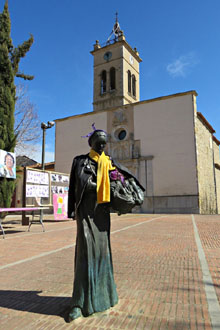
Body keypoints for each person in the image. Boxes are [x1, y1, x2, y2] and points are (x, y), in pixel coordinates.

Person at [66, 126, 143, 322]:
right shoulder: (80, 161)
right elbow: (74, 187)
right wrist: (71, 210)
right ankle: (79, 303)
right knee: (85, 253)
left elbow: (124, 181)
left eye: (104, 142)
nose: (101, 144)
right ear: (90, 143)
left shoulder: (109, 163)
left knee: (102, 253)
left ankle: (105, 296)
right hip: (86, 214)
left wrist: (126, 189)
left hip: (101, 214)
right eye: (98, 141)